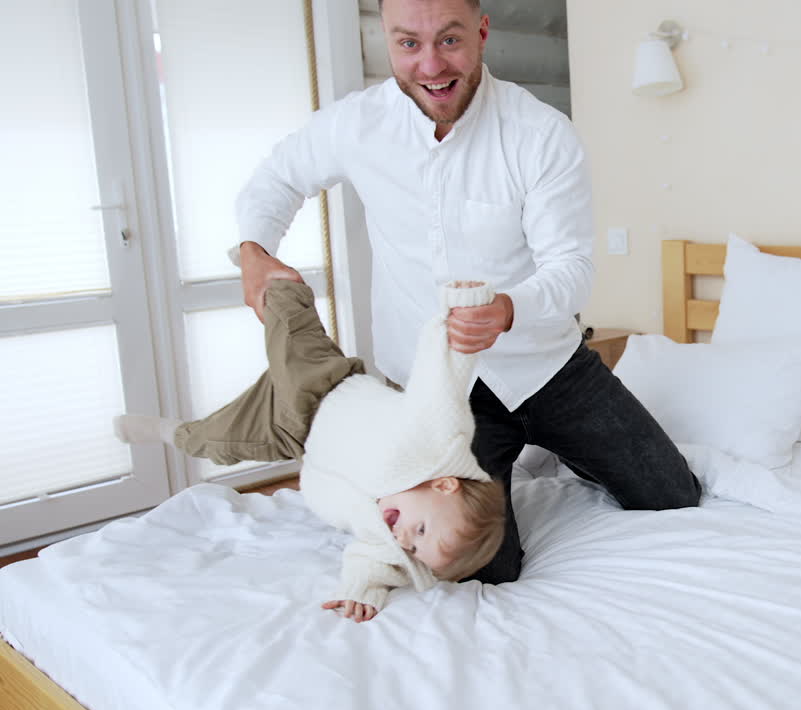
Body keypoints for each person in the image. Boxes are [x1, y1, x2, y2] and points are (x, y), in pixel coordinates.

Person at [233, 0, 701, 584]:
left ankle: (566, 451)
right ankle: (513, 460)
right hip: (440, 391)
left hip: (547, 366)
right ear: (388, 41)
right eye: (409, 44)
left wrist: (509, 309)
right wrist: (254, 249)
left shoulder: (540, 134)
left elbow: (572, 266)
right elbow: (277, 177)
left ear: (481, 33)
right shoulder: (356, 125)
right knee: (484, 572)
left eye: (449, 40)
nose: (431, 64)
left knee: (672, 494)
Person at [114, 278, 507, 623]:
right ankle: (269, 265)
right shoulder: (432, 442)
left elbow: (370, 565)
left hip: (291, 435)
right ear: (444, 486)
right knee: (285, 315)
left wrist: (362, 595)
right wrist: (464, 308)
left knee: (213, 443)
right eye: (420, 531)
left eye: (417, 551)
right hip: (319, 387)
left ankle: (164, 431)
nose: (405, 540)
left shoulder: (388, 540)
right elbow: (441, 384)